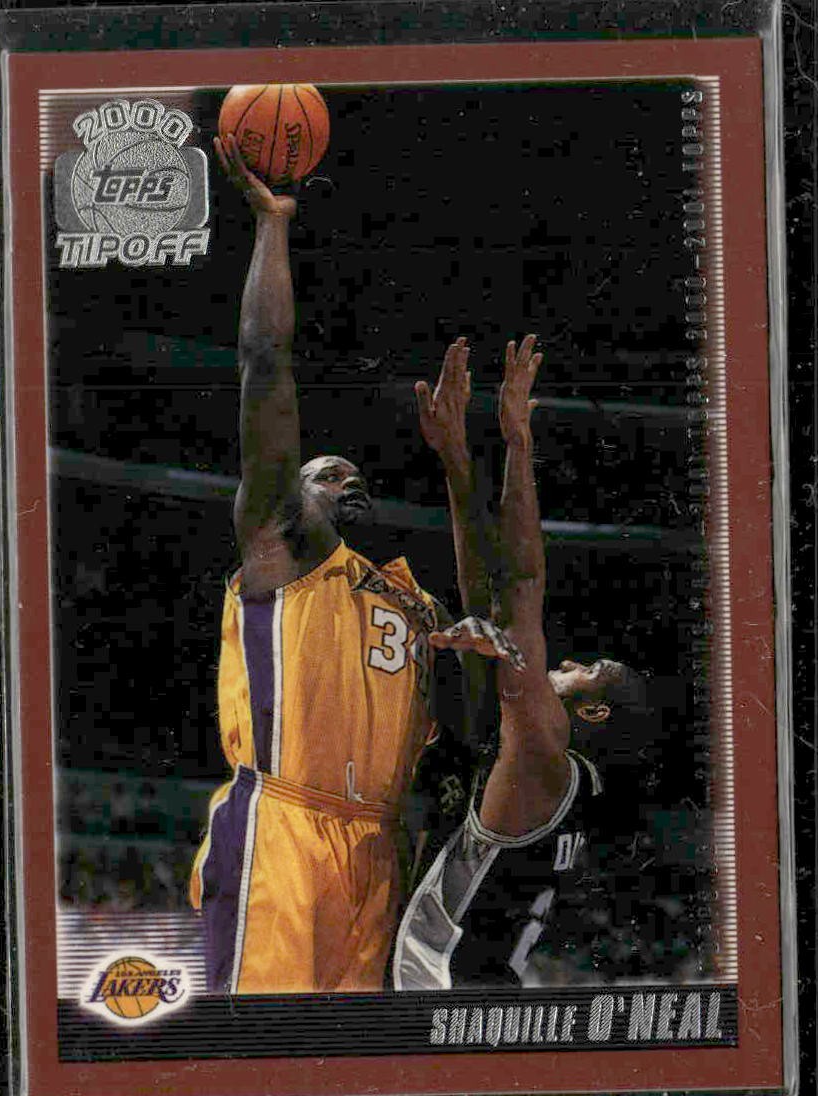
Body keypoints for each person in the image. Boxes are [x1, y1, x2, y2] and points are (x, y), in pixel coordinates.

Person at [188, 139, 516, 996]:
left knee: (354, 1055)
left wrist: (457, 465)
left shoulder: (410, 600)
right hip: (284, 826)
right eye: (326, 474)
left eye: (356, 475)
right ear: (288, 497)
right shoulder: (283, 553)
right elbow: (265, 364)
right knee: (257, 1050)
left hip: (380, 848)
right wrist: (272, 225)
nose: (348, 479)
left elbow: (489, 607)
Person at [394, 335, 650, 990]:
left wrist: (517, 443)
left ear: (593, 712)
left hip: (446, 998)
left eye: (587, 669)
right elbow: (486, 594)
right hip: (472, 993)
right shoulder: (546, 768)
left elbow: (523, 590)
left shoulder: (543, 758)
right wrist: (455, 453)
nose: (569, 658)